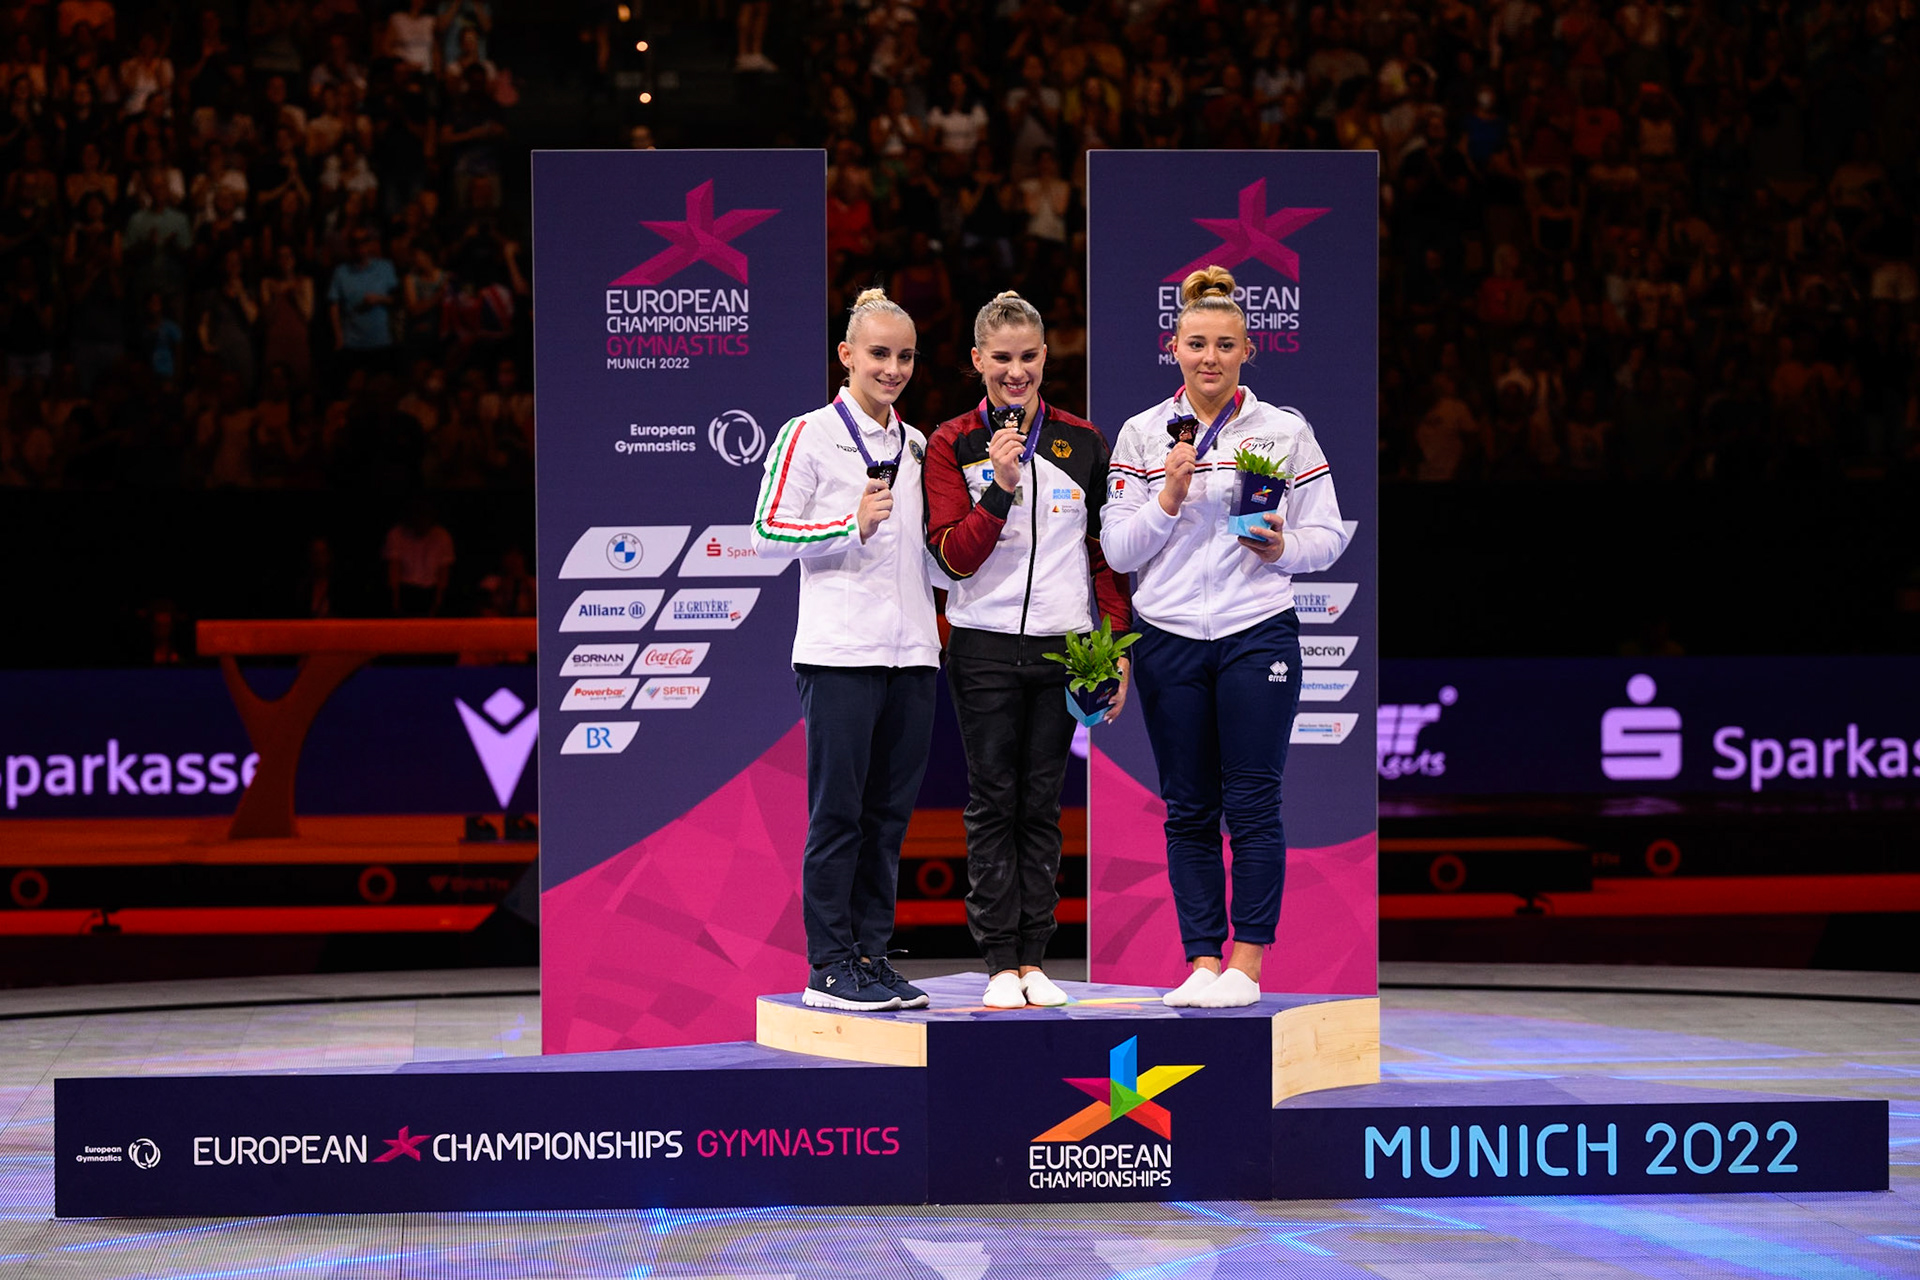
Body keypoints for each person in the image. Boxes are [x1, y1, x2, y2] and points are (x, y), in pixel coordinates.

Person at [1101, 266, 1351, 1009]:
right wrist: (1169, 497)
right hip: (1170, 637)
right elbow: (1118, 552)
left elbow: (1329, 533)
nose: (1209, 357)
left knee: (1252, 802)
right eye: (1196, 343)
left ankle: (1247, 965)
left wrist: (1284, 552)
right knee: (1186, 808)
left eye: (1226, 345)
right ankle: (1203, 961)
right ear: (1173, 346)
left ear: (1248, 350)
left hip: (1256, 631)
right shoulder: (1144, 435)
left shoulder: (1283, 430)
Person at [922, 290, 1132, 1009]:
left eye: (1029, 357)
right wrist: (1001, 490)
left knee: (1042, 804)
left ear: (1047, 358)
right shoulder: (952, 442)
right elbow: (950, 560)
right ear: (978, 361)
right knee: (991, 803)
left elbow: (1105, 557)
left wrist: (1110, 651)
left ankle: (1036, 957)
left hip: (1063, 648)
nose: (1016, 373)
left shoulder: (1083, 440)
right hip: (980, 647)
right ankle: (998, 963)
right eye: (1002, 359)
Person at [750, 287, 939, 1013]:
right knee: (839, 815)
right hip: (838, 656)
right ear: (847, 356)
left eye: (905, 356)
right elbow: (767, 532)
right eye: (879, 355)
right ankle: (827, 966)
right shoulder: (807, 434)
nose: (892, 369)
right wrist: (847, 522)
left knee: (888, 819)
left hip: (914, 654)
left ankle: (870, 954)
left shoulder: (919, 444)